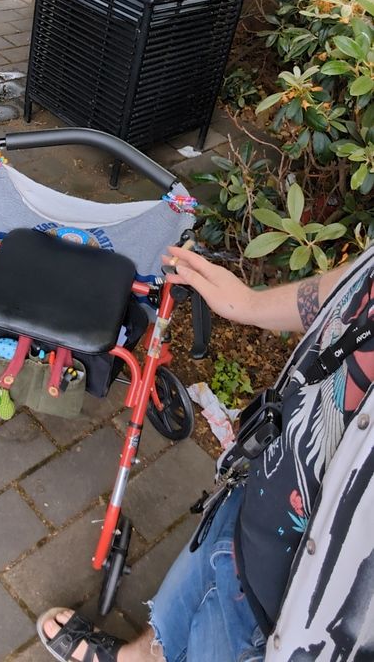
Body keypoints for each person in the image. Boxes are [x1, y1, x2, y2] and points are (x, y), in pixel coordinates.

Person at [37, 242, 374, 662]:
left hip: (299, 600)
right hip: (263, 479)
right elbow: (352, 290)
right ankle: (139, 658)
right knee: (188, 592)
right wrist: (250, 305)